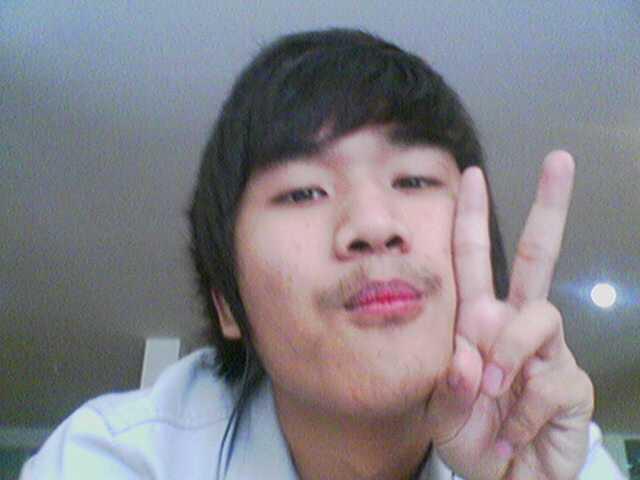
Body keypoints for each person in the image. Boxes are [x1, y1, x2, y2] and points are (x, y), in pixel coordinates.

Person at [20, 28, 625, 479]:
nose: (374, 225)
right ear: (228, 305)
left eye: (413, 180)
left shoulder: (553, 458)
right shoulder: (114, 460)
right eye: (303, 192)